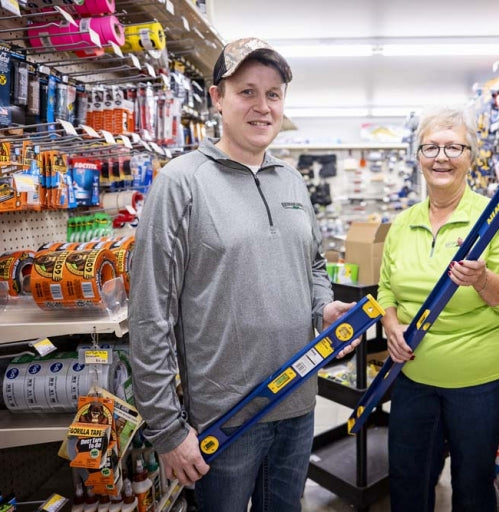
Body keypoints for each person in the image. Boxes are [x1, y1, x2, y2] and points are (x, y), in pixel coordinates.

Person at [128, 37, 359, 512]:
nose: (262, 107)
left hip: (298, 405)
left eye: (273, 94)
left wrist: (323, 306)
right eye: (247, 92)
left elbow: (313, 265)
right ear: (217, 97)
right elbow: (150, 313)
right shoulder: (180, 182)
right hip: (225, 420)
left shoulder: (292, 180)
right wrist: (168, 430)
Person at [379, 106, 499, 511]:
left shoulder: (496, 220)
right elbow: (386, 289)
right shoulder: (402, 223)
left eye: (453, 147)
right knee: (407, 477)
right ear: (418, 157)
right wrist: (390, 323)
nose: (441, 157)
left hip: (484, 379)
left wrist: (483, 280)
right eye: (431, 147)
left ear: (470, 157)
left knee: (471, 483)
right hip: (414, 372)